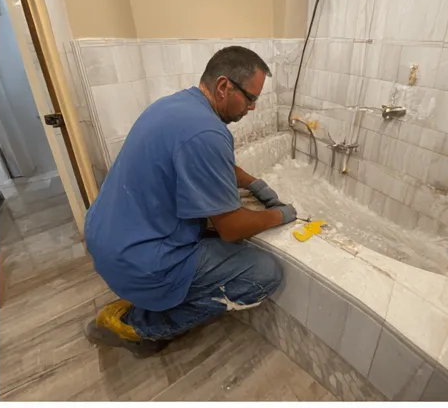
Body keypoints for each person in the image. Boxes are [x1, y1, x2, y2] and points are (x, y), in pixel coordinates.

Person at [83, 46, 296, 356]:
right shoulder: (208, 131)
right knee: (263, 272)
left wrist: (254, 184)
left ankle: (143, 294)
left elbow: (213, 163)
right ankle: (141, 326)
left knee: (206, 227)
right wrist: (281, 215)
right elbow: (232, 229)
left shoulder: (174, 107)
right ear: (224, 87)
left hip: (108, 241)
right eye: (250, 98)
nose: (252, 108)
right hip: (140, 263)